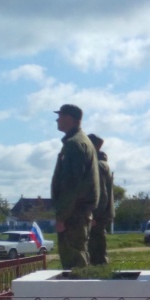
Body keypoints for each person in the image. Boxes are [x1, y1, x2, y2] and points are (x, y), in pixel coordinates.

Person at [51, 104, 99, 269]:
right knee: (79, 258)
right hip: (79, 212)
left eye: (60, 115)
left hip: (74, 214)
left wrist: (62, 216)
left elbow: (71, 185)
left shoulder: (74, 144)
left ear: (70, 119)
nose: (57, 119)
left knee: (74, 264)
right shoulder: (82, 141)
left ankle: (78, 296)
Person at [87, 133, 114, 266]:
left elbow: (101, 194)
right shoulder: (103, 164)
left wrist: (94, 215)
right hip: (102, 215)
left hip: (97, 216)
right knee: (98, 251)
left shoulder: (97, 166)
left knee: (96, 254)